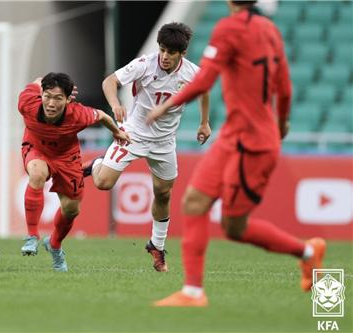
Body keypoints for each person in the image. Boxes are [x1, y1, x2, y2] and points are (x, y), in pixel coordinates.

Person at [147, 1, 325, 306]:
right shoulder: (270, 30)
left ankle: (308, 252)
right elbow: (285, 88)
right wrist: (281, 123)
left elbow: (205, 78)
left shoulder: (230, 27)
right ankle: (193, 292)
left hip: (252, 142)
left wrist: (165, 105)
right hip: (235, 135)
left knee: (234, 226)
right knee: (194, 201)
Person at [82, 22, 211, 272]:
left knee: (163, 193)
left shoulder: (192, 73)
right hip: (134, 134)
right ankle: (98, 163)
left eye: (170, 52)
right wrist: (116, 103)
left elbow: (204, 91)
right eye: (162, 49)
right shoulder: (144, 64)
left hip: (164, 142)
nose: (164, 56)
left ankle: (157, 246)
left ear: (182, 54)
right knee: (103, 183)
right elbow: (109, 81)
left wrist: (204, 123)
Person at [18, 72, 130, 272]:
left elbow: (102, 116)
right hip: (36, 149)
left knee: (71, 209)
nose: (51, 103)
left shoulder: (77, 114)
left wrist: (116, 131)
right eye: (47, 96)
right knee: (37, 173)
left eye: (58, 98)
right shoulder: (27, 103)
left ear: (68, 100)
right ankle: (32, 236)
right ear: (41, 94)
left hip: (66, 158)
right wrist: (45, 80)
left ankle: (54, 244)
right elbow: (36, 82)